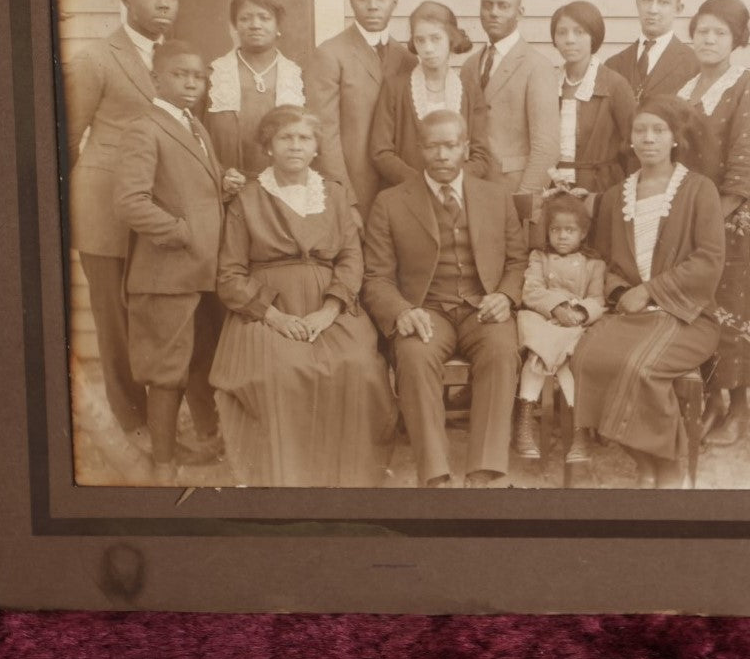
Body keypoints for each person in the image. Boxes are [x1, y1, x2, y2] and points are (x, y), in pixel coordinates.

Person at [209, 105, 396, 487]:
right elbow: (229, 275)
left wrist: (329, 311)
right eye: (286, 138)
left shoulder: (335, 194)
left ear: (315, 148)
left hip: (331, 304)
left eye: (304, 138)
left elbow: (350, 257)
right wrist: (275, 317)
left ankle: (349, 478)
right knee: (282, 372)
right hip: (265, 309)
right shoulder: (248, 198)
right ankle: (287, 478)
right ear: (269, 147)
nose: (295, 145)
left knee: (359, 366)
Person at [361, 110, 528, 488]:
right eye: (433, 146)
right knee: (414, 355)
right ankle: (435, 476)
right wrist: (401, 310)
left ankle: (483, 472)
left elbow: (518, 260)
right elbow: (376, 277)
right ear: (420, 150)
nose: (442, 155)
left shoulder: (495, 196)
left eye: (451, 145)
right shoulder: (390, 202)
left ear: (465, 148)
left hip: (481, 309)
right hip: (426, 310)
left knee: (502, 351)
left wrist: (505, 295)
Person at [569, 95, 726, 488]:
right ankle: (644, 461)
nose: (649, 138)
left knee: (640, 367)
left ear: (675, 138)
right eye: (641, 130)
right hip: (632, 314)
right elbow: (600, 258)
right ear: (631, 138)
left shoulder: (698, 190)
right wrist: (622, 290)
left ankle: (668, 466)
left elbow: (708, 259)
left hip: (687, 314)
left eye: (659, 130)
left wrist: (652, 290)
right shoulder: (615, 196)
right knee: (587, 357)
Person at [61, 0, 179, 448]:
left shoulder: (176, 61)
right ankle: (133, 424)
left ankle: (161, 422)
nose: (163, 4)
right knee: (114, 318)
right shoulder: (97, 59)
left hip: (154, 211)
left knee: (153, 315)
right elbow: (64, 138)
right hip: (105, 208)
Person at [111, 41, 225, 483]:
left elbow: (190, 188)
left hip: (199, 272)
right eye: (180, 74)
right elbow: (130, 202)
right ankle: (163, 465)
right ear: (155, 78)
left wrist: (223, 187)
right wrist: (182, 232)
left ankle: (207, 442)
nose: (192, 82)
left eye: (198, 75)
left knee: (198, 360)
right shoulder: (145, 127)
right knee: (166, 373)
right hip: (165, 275)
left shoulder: (194, 126)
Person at [676, 0, 750, 447]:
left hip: (729, 220)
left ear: (736, 40)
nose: (709, 39)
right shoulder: (685, 89)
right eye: (702, 31)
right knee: (701, 310)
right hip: (686, 221)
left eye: (719, 32)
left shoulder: (748, 87)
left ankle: (737, 407)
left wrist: (712, 218)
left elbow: (745, 168)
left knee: (734, 311)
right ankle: (712, 400)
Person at [305, 0, 417, 224]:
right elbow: (324, 135)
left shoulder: (408, 58)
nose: (373, 5)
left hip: (399, 191)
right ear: (351, 0)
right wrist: (345, 199)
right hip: (355, 192)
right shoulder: (331, 54)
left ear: (394, 1)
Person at [513, 192, 606, 461]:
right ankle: (524, 422)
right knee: (536, 355)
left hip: (575, 325)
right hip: (542, 318)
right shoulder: (539, 257)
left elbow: (598, 299)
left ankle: (579, 432)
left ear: (583, 233)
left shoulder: (594, 265)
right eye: (555, 230)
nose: (562, 236)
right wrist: (556, 307)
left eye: (570, 230)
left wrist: (580, 312)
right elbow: (531, 291)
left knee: (572, 362)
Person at [369, 0, 498, 186]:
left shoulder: (469, 90)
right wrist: (420, 184)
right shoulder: (395, 88)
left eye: (435, 38)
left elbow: (481, 155)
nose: (428, 49)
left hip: (457, 195)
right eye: (420, 40)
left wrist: (453, 183)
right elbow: (381, 152)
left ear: (451, 39)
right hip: (408, 193)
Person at [460, 0, 561, 197]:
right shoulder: (469, 66)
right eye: (487, 5)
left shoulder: (537, 66)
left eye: (503, 6)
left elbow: (547, 148)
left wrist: (524, 199)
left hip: (512, 190)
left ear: (520, 12)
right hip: (472, 190)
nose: (493, 12)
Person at [204, 0, 305, 179]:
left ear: (278, 25)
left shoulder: (297, 77)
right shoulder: (214, 75)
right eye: (245, 18)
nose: (255, 25)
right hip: (225, 188)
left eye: (264, 18)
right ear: (235, 25)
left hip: (283, 187)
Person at [547, 0, 636, 198]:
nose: (570, 40)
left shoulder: (614, 85)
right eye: (562, 32)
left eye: (579, 32)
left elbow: (633, 146)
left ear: (593, 36)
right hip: (555, 188)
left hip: (601, 189)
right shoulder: (548, 83)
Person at [605, 0, 702, 102]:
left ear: (678, 9)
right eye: (647, 0)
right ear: (638, 4)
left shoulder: (694, 64)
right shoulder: (613, 64)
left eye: (664, 2)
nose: (652, 9)